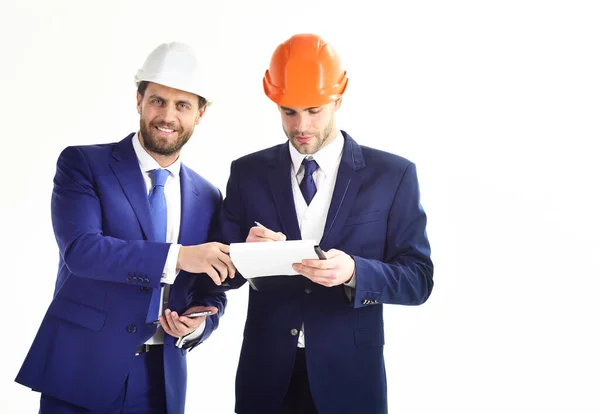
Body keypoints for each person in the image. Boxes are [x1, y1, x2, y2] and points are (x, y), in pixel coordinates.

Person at [219, 33, 434, 414]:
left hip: (350, 380)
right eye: (288, 111)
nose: (301, 125)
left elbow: (418, 279)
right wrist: (243, 255)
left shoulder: (392, 175)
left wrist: (355, 271)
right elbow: (224, 273)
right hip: (266, 379)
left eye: (314, 110)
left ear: (339, 98)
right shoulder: (247, 172)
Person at [15, 41, 235, 414]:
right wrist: (179, 256)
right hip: (82, 370)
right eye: (157, 101)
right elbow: (82, 252)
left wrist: (198, 324)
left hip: (161, 377)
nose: (167, 115)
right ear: (138, 101)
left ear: (201, 114)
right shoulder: (84, 164)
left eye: (182, 105)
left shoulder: (208, 195)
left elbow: (209, 288)